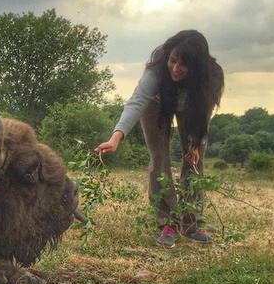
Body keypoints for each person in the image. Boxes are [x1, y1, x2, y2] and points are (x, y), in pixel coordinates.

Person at [95, 30, 224, 248]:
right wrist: (116, 137)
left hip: (192, 110)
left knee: (194, 161)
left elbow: (204, 113)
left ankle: (191, 223)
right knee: (159, 160)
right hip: (156, 105)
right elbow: (136, 102)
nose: (175, 68)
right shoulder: (156, 72)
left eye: (183, 65)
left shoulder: (211, 77)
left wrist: (194, 143)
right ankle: (167, 223)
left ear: (197, 66)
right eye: (172, 61)